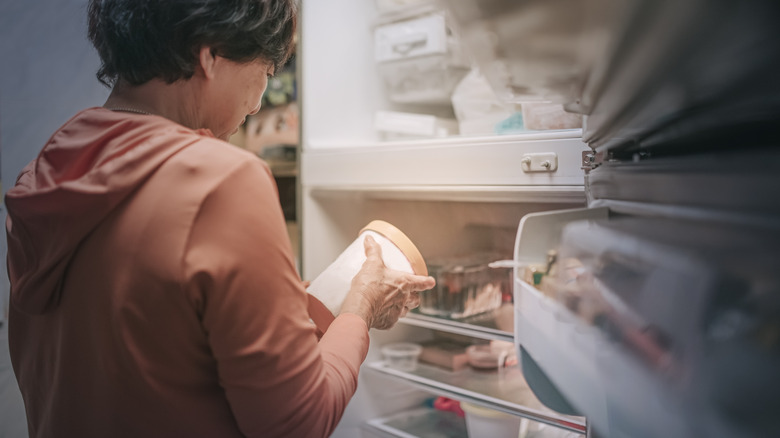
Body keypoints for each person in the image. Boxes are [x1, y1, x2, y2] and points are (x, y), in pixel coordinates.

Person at [4, 1, 436, 437]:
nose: (256, 105)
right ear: (211, 54)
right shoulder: (221, 180)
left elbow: (149, 330)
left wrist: (287, 302)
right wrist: (360, 309)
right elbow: (297, 424)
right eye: (266, 73)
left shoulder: (47, 173)